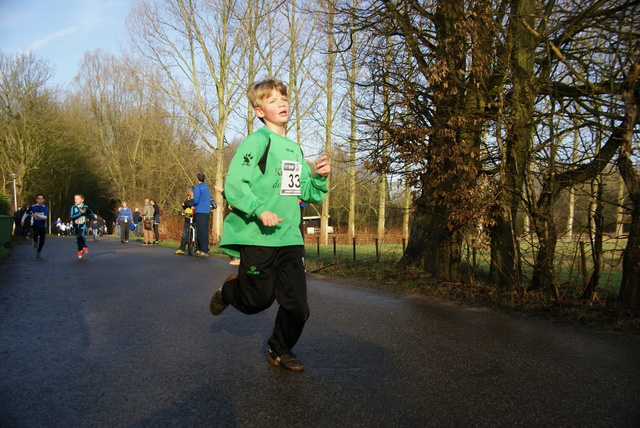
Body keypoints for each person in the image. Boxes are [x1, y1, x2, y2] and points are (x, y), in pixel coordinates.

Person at [210, 78, 330, 371]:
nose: (282, 104)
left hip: (289, 236)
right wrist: (258, 210)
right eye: (273, 100)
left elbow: (306, 192)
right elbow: (236, 185)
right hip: (258, 236)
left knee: (298, 306)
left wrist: (321, 177)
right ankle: (229, 291)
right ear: (259, 111)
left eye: (284, 98)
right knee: (255, 302)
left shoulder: (294, 149)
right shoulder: (257, 142)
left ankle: (280, 349)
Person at [21, 194, 48, 258]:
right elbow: (26, 213)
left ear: (44, 200)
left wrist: (37, 215)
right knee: (35, 233)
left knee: (42, 240)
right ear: (36, 200)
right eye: (38, 199)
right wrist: (22, 220)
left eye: (41, 199)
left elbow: (45, 217)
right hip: (34, 223)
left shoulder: (45, 207)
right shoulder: (32, 206)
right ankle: (35, 240)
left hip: (43, 225)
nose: (40, 200)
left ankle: (38, 251)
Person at [69, 194, 95, 259]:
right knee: (78, 238)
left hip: (82, 224)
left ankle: (84, 247)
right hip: (76, 225)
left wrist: (94, 219)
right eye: (75, 199)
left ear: (82, 200)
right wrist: (80, 213)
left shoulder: (85, 207)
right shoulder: (73, 207)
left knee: (81, 235)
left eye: (78, 199)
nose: (76, 200)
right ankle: (79, 250)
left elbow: (90, 213)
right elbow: (72, 216)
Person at [192, 173, 211, 257]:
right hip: (207, 211)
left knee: (200, 231)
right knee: (205, 230)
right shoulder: (206, 187)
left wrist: (191, 204)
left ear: (197, 179)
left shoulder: (198, 187)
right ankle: (204, 248)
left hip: (200, 210)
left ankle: (202, 250)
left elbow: (196, 200)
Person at [175, 185, 195, 255]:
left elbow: (191, 203)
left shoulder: (195, 196)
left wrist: (187, 203)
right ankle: (181, 249)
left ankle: (193, 248)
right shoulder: (188, 198)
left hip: (194, 216)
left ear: (189, 191)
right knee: (184, 233)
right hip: (187, 216)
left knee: (194, 233)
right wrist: (186, 204)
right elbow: (184, 205)